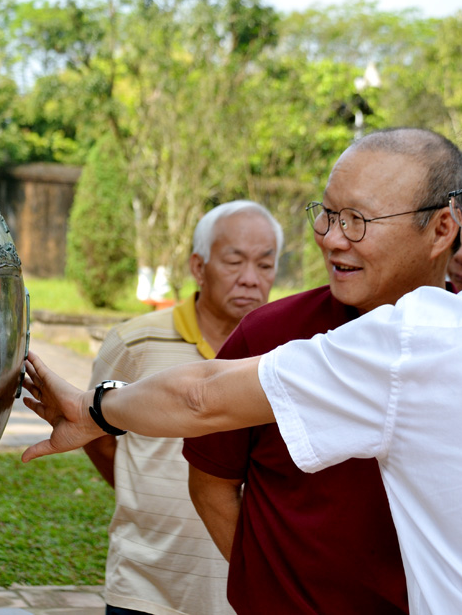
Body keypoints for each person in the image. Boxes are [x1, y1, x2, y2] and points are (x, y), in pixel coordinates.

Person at [19, 90, 462, 613]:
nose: (333, 239)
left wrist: (95, 409)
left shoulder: (439, 337)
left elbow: (201, 396)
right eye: (328, 215)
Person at [183, 128, 462, 614]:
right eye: (329, 214)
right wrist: (271, 594)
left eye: (358, 220)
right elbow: (210, 480)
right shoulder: (270, 334)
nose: (332, 238)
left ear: (442, 229)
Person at [83, 200, 283, 615]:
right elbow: (95, 433)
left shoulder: (283, 355)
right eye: (234, 262)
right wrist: (142, 493)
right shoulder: (135, 343)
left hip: (243, 594)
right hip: (146, 588)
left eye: (265, 265)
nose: (250, 279)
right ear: (198, 267)